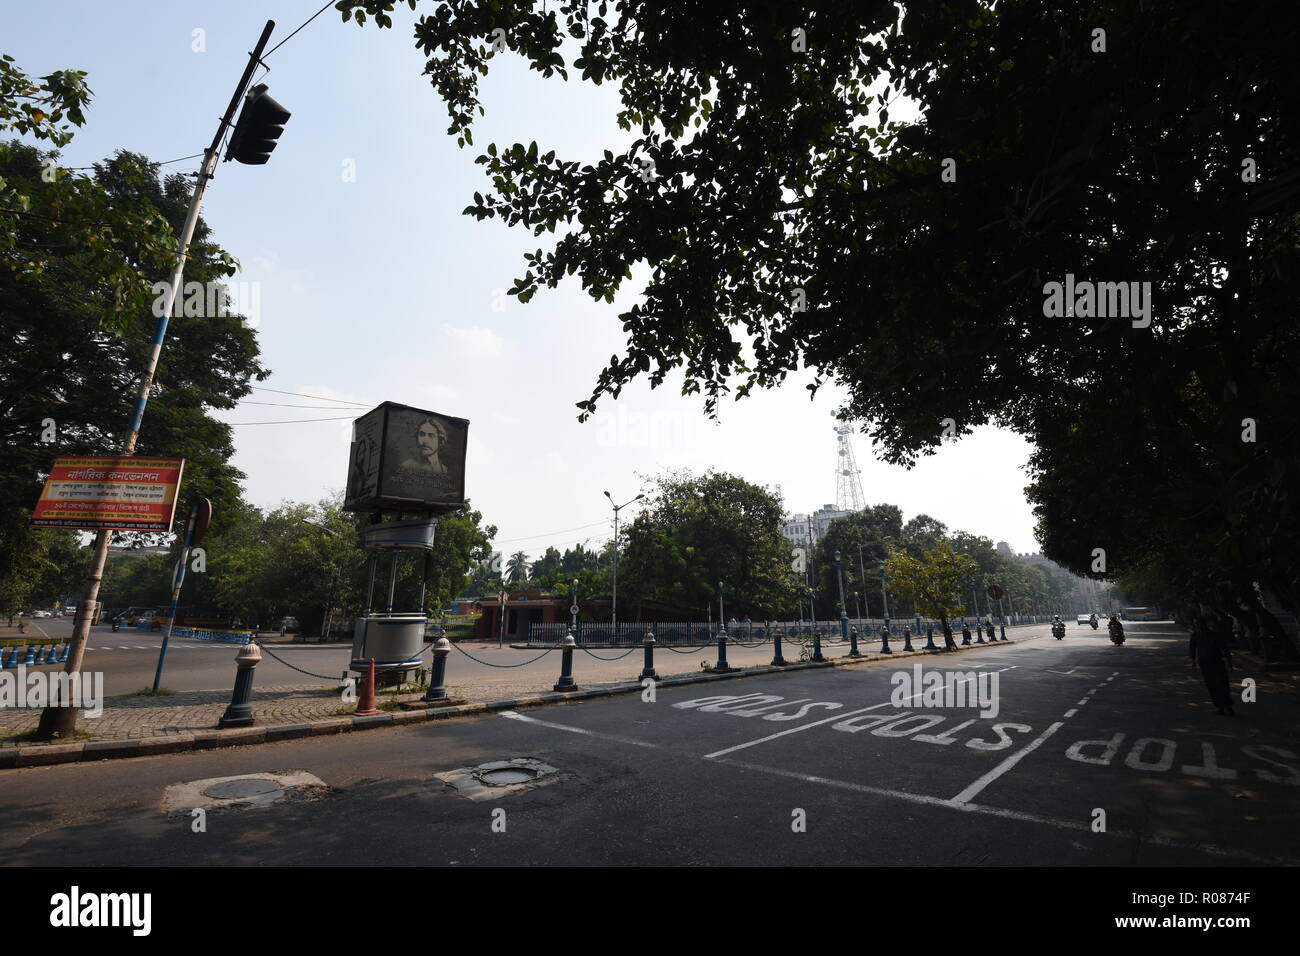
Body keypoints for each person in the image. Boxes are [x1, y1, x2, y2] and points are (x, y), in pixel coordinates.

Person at [1189, 613, 1235, 715]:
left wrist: (1229, 663)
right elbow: (1192, 649)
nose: (1197, 625)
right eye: (1195, 623)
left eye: (1198, 623)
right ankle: (1220, 707)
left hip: (1217, 662)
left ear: (1204, 623)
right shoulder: (1195, 636)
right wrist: (1193, 662)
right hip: (1205, 664)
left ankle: (1228, 705)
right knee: (1211, 686)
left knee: (1223, 685)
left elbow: (1225, 650)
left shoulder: (1215, 635)